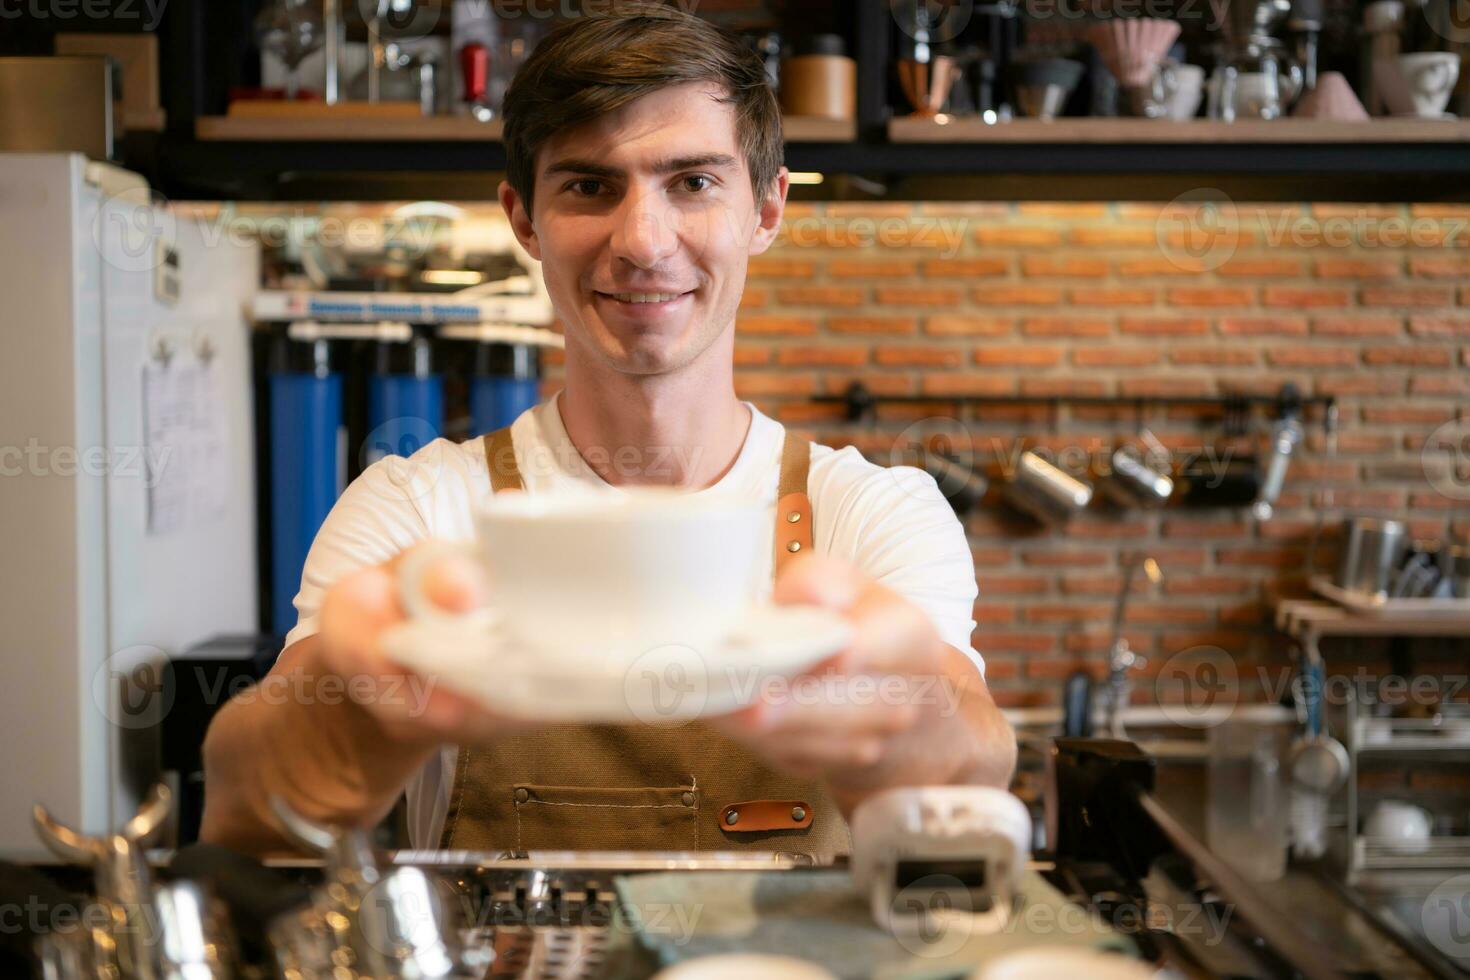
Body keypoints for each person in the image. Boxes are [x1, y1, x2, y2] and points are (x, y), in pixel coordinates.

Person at [201, 2, 1016, 857]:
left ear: (767, 210)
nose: (642, 241)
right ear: (524, 220)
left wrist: (910, 721)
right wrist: (346, 713)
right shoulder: (418, 509)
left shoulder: (872, 514)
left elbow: (975, 767)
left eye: (693, 182)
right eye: (590, 186)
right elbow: (247, 815)